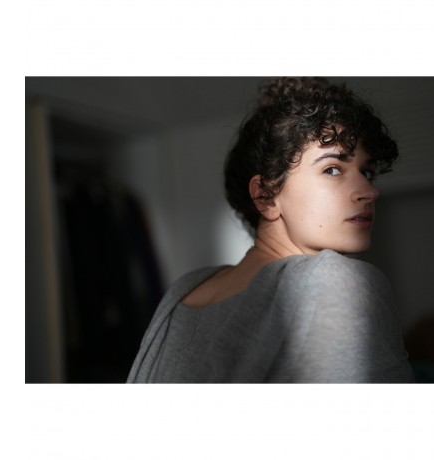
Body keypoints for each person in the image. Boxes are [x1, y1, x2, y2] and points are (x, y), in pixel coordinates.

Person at [127, 77, 414, 383]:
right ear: (265, 196)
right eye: (332, 169)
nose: (370, 191)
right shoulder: (338, 280)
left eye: (367, 172)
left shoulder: (184, 289)